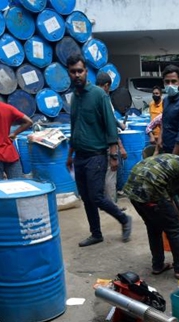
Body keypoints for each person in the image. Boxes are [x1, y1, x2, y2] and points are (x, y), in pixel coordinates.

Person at [64, 53, 132, 247]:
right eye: (73, 72)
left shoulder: (98, 95)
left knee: (96, 196)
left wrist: (113, 154)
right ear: (69, 73)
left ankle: (123, 219)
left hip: (96, 155)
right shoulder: (75, 98)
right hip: (80, 156)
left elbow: (110, 125)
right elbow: (74, 128)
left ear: (86, 72)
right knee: (86, 197)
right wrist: (70, 155)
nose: (77, 75)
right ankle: (96, 233)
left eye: (80, 71)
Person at [95, 71, 128, 205]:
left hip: (95, 144)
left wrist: (118, 123)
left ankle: (101, 201)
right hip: (107, 142)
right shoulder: (104, 98)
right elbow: (110, 124)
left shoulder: (89, 96)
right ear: (107, 85)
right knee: (110, 173)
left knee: (100, 173)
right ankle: (111, 205)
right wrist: (118, 148)